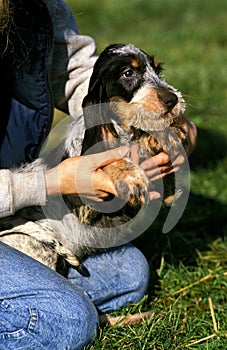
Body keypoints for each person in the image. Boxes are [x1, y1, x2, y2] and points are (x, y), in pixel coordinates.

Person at [0, 0, 197, 349]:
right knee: (71, 319)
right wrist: (53, 181)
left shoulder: (33, 6)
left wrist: (161, 124)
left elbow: (81, 75)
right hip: (19, 212)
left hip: (15, 218)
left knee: (130, 275)